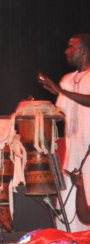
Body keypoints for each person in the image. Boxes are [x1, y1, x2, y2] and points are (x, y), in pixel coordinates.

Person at [40, 33, 90, 232]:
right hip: (73, 153)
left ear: (84, 50)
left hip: (88, 152)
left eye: (71, 47)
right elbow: (61, 113)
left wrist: (60, 91)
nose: (66, 51)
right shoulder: (67, 80)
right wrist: (38, 108)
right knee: (68, 204)